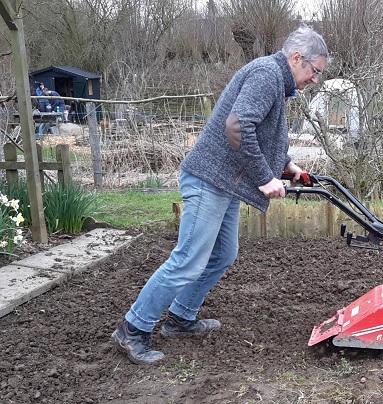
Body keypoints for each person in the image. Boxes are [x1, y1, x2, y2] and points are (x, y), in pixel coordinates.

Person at [111, 24, 329, 365]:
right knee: (187, 260)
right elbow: (237, 127)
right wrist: (264, 178)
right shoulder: (266, 74)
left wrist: (288, 167)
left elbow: (261, 132)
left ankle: (181, 317)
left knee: (223, 254)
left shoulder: (278, 81)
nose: (315, 79)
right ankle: (133, 328)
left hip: (226, 182)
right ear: (297, 58)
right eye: (314, 71)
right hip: (208, 178)